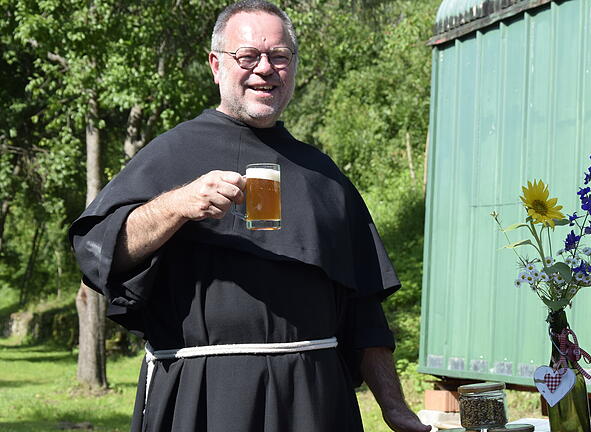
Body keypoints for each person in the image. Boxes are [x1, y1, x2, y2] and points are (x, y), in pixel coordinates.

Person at [68, 1, 431, 431]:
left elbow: (364, 307)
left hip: (312, 401)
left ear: (293, 67)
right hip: (204, 396)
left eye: (279, 56)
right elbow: (103, 253)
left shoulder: (323, 176)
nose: (265, 68)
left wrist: (394, 406)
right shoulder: (171, 153)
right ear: (216, 65)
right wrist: (177, 205)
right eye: (247, 56)